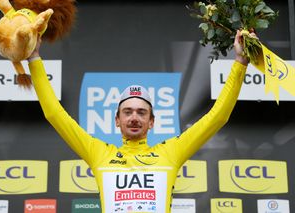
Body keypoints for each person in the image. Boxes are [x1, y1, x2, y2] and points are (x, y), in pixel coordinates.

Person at [27, 30, 249, 212]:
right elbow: (54, 114)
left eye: (142, 112)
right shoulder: (99, 153)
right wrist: (34, 57)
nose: (134, 117)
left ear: (152, 122)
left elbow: (218, 117)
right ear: (117, 120)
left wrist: (240, 62)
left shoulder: (171, 152)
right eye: (128, 112)